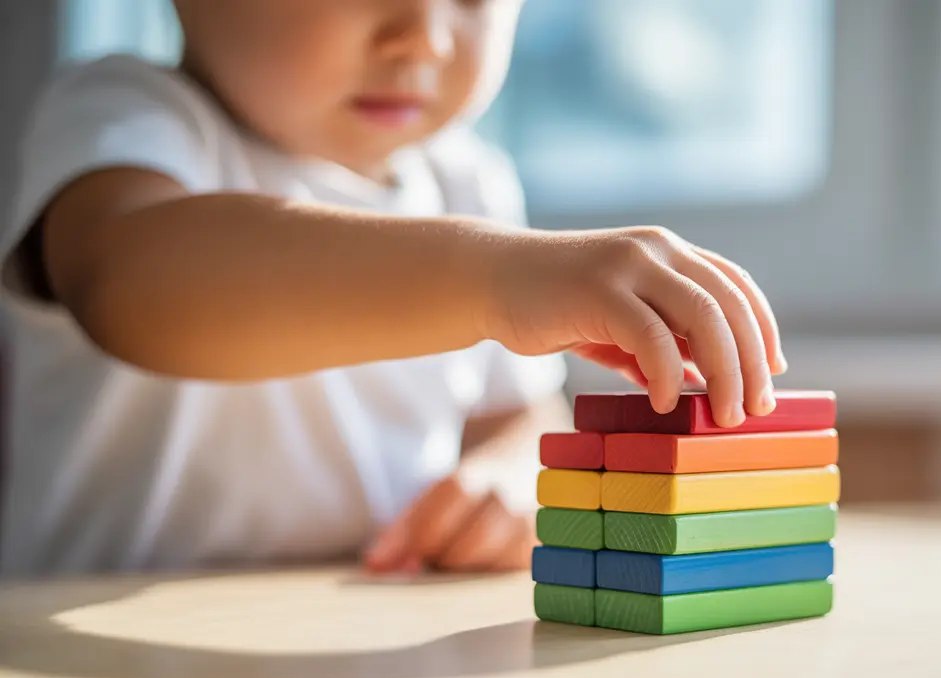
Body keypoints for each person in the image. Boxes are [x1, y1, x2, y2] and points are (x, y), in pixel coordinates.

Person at [0, 0, 787, 577]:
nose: (425, 35)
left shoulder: (469, 184)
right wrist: (494, 276)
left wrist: (504, 482)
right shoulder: (127, 114)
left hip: (360, 649)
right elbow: (133, 285)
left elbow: (513, 415)